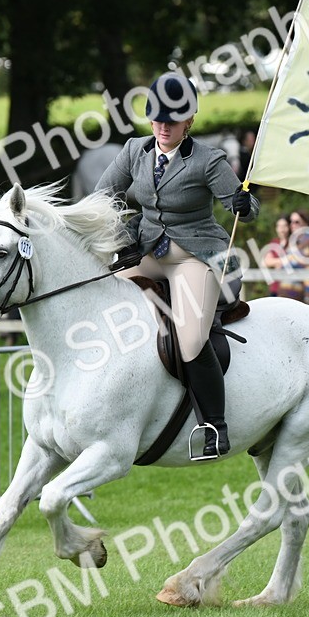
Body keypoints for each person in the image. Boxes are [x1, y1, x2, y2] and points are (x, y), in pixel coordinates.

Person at [95, 73, 258, 460]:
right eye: (158, 119)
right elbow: (101, 197)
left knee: (189, 338)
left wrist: (243, 203)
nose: (164, 127)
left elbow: (248, 210)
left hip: (197, 257)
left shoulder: (208, 159)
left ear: (189, 122)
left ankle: (215, 425)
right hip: (151, 254)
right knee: (99, 296)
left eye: (173, 120)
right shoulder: (135, 151)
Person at [287, 209, 309, 307]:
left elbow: (298, 262)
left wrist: (282, 262)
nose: (293, 224)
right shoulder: (297, 240)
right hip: (299, 291)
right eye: (291, 221)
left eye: (297, 222)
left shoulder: (308, 239)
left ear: (306, 223)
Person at [262, 216, 293, 298]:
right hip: (275, 288)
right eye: (279, 226)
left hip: (290, 288)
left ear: (289, 227)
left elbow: (293, 259)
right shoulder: (274, 242)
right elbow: (266, 262)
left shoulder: (293, 242)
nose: (282, 229)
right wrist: (283, 261)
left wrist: (275, 262)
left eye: (284, 226)